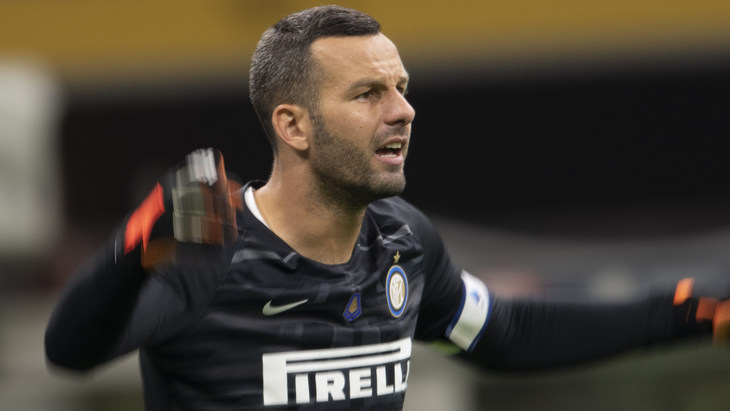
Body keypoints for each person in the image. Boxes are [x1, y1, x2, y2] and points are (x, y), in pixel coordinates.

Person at [45, 5, 729, 410]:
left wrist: (686, 314)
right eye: (368, 93)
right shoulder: (210, 256)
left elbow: (504, 333)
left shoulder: (404, 241)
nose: (403, 111)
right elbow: (71, 350)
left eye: (401, 87)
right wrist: (132, 249)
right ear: (294, 126)